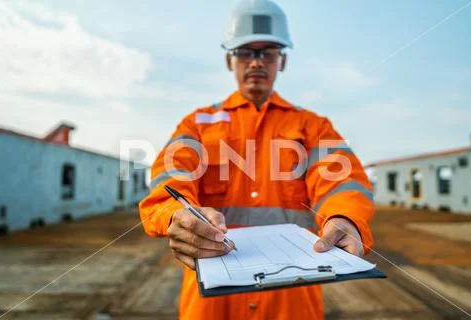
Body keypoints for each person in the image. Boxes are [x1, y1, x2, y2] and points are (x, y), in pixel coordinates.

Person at [139, 0, 374, 319]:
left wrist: (345, 218)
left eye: (268, 52)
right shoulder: (197, 124)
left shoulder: (311, 127)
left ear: (283, 61)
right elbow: (170, 174)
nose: (256, 62)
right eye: (246, 52)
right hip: (211, 303)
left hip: (292, 301)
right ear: (229, 60)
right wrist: (174, 214)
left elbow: (342, 180)